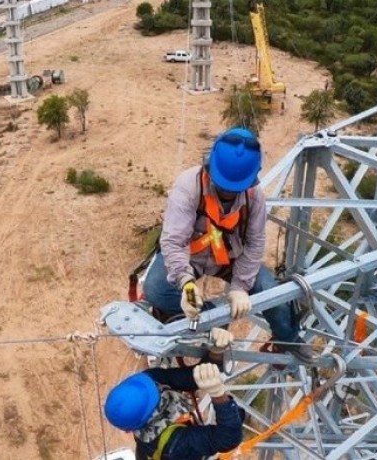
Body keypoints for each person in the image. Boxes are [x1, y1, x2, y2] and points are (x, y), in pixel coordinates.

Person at [142, 127, 316, 363]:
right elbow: (173, 240)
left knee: (271, 292)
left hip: (230, 257)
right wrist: (186, 283)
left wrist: (240, 287)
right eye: (223, 185)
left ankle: (288, 338)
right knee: (156, 289)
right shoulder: (189, 186)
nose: (226, 192)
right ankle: (213, 323)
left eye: (233, 189)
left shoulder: (253, 196)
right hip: (190, 256)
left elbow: (255, 243)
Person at [105, 328, 243, 460]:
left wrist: (216, 352)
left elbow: (190, 378)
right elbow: (229, 438)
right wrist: (218, 394)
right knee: (236, 416)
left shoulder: (150, 382)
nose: (160, 388)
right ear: (153, 414)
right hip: (178, 454)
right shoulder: (177, 445)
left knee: (237, 415)